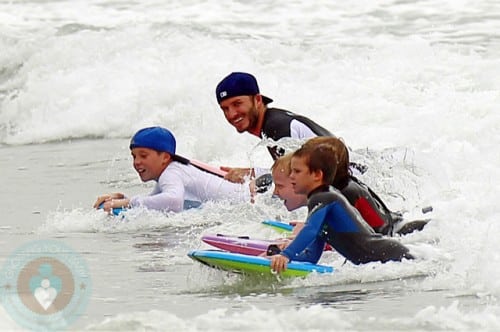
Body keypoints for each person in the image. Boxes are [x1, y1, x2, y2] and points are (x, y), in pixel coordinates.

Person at [269, 142, 414, 272]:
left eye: (297, 171)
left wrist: (285, 255)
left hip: (387, 254)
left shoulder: (324, 197)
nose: (292, 176)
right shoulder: (320, 203)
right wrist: (275, 258)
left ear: (317, 175)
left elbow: (310, 230)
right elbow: (311, 257)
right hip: (382, 256)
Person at [93, 126, 252, 213]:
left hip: (250, 204)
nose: (137, 162)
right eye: (134, 156)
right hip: (248, 201)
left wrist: (127, 202)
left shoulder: (171, 173)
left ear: (165, 157)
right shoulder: (171, 172)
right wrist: (121, 198)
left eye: (143, 156)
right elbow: (153, 204)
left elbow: (173, 201)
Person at [215, 71, 335, 183]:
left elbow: (292, 180)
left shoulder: (276, 126)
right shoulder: (272, 122)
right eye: (225, 109)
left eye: (237, 104)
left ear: (257, 100)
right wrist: (250, 174)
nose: (231, 114)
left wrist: (250, 175)